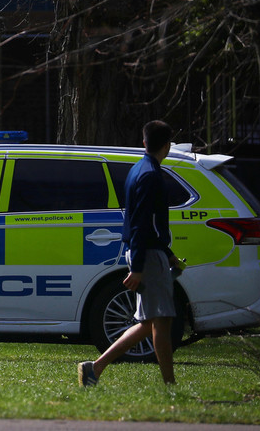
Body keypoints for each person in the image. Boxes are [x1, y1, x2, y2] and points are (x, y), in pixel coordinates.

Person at [78, 120, 184, 386]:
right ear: (167, 145)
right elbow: (141, 223)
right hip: (146, 255)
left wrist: (167, 253)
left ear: (144, 141)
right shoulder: (151, 176)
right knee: (162, 321)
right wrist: (138, 266)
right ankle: (170, 385)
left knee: (150, 322)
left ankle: (95, 368)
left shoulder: (138, 170)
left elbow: (142, 222)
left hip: (147, 251)